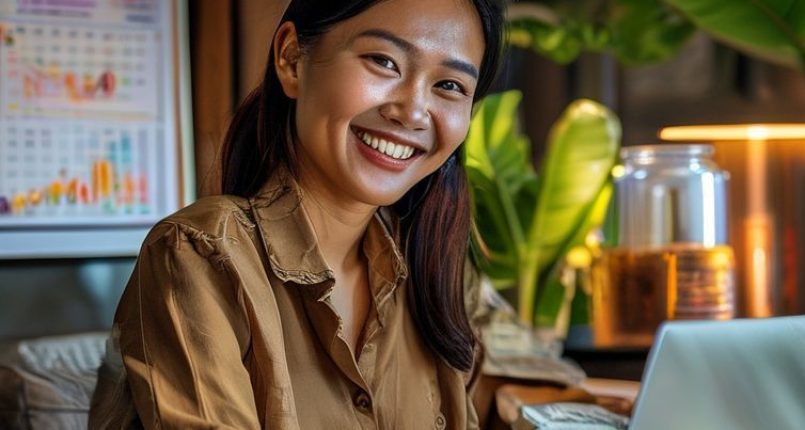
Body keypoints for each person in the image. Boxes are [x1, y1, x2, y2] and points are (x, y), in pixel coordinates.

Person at [89, 0, 505, 428]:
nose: (413, 111)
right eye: (384, 61)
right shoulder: (198, 254)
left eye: (449, 85)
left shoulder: (437, 276)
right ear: (291, 59)